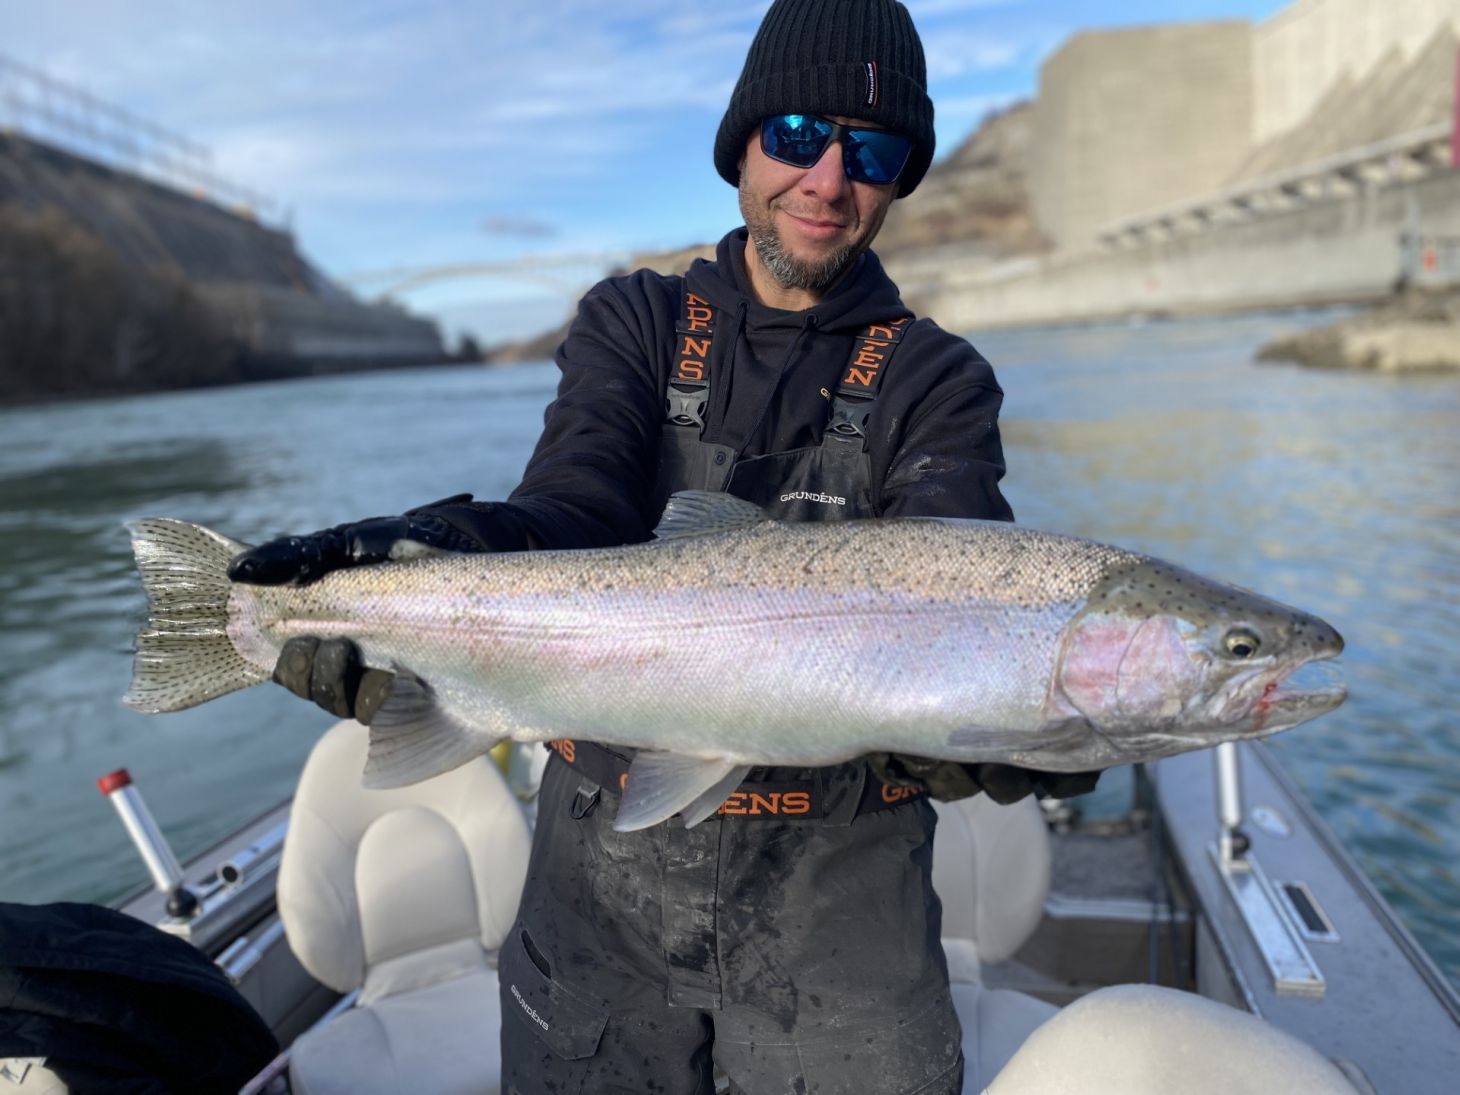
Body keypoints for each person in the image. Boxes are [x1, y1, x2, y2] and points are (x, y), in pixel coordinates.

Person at [230, 1, 1097, 1090]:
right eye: (796, 136)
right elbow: (574, 505)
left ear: (897, 181)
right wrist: (436, 547)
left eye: (871, 153)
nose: (828, 181)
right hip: (595, 889)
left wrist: (1000, 717)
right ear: (741, 144)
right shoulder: (635, 321)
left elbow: (961, 559)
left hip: (846, 909)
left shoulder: (937, 379)